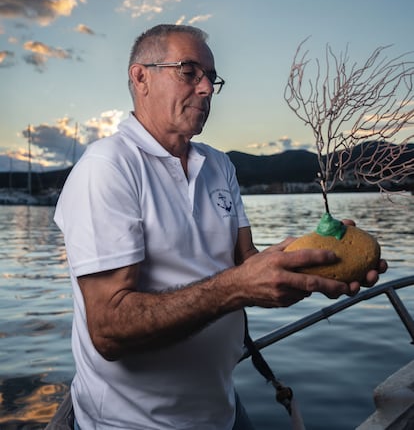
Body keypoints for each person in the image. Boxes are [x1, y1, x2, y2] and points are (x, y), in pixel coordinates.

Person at [54, 24, 386, 430]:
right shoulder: (108, 167)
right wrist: (238, 287)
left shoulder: (218, 165)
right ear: (140, 77)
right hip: (135, 422)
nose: (207, 88)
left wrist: (311, 260)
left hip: (221, 410)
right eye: (189, 72)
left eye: (212, 77)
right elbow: (109, 329)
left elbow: (244, 261)